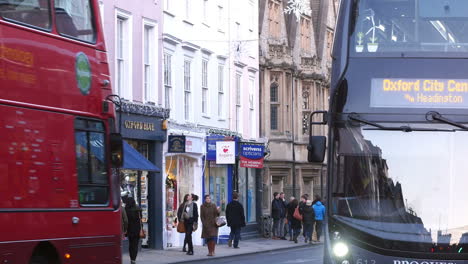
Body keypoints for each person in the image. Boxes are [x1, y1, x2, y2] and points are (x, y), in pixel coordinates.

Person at [124, 196, 142, 264]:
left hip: (130, 229)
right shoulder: (138, 209)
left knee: (131, 244)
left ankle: (131, 257)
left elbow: (125, 220)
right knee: (135, 244)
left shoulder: (126, 210)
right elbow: (141, 220)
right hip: (137, 229)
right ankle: (133, 259)